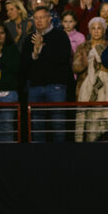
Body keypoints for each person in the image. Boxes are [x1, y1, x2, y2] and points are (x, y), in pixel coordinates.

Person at [22, 7, 72, 141]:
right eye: (36, 18)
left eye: (42, 17)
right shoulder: (29, 39)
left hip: (56, 86)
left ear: (49, 19)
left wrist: (42, 48)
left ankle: (60, 156)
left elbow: (63, 58)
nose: (39, 21)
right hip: (35, 87)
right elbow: (24, 64)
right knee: (36, 125)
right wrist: (35, 53)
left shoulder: (60, 35)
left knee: (58, 124)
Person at [73, 17, 108, 142]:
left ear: (104, 30)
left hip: (105, 89)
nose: (96, 31)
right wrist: (88, 62)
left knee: (101, 125)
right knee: (85, 124)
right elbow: (75, 67)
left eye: (99, 28)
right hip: (85, 90)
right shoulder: (83, 47)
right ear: (89, 30)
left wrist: (101, 66)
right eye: (93, 28)